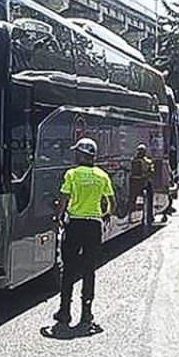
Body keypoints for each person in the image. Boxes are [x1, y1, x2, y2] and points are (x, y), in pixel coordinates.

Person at [48, 137, 114, 338]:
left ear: (82, 154)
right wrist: (105, 215)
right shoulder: (102, 176)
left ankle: (64, 312)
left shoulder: (72, 174)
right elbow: (111, 202)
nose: (74, 154)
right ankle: (87, 313)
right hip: (93, 226)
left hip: (75, 224)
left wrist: (57, 218)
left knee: (68, 268)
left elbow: (63, 199)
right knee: (89, 269)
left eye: (77, 152)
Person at [125, 144, 156, 224]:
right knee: (148, 199)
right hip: (143, 182)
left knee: (132, 199)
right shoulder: (148, 161)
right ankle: (149, 216)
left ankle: (131, 216)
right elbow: (151, 172)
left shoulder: (133, 160)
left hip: (135, 182)